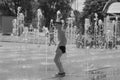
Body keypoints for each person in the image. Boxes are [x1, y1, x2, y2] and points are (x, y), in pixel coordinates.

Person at [54, 10, 67, 77]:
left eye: (57, 24)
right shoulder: (60, 30)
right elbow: (64, 40)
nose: (55, 25)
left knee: (55, 59)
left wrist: (58, 47)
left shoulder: (60, 31)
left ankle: (61, 72)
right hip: (62, 46)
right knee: (57, 59)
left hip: (61, 46)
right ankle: (61, 72)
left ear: (59, 25)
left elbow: (63, 40)